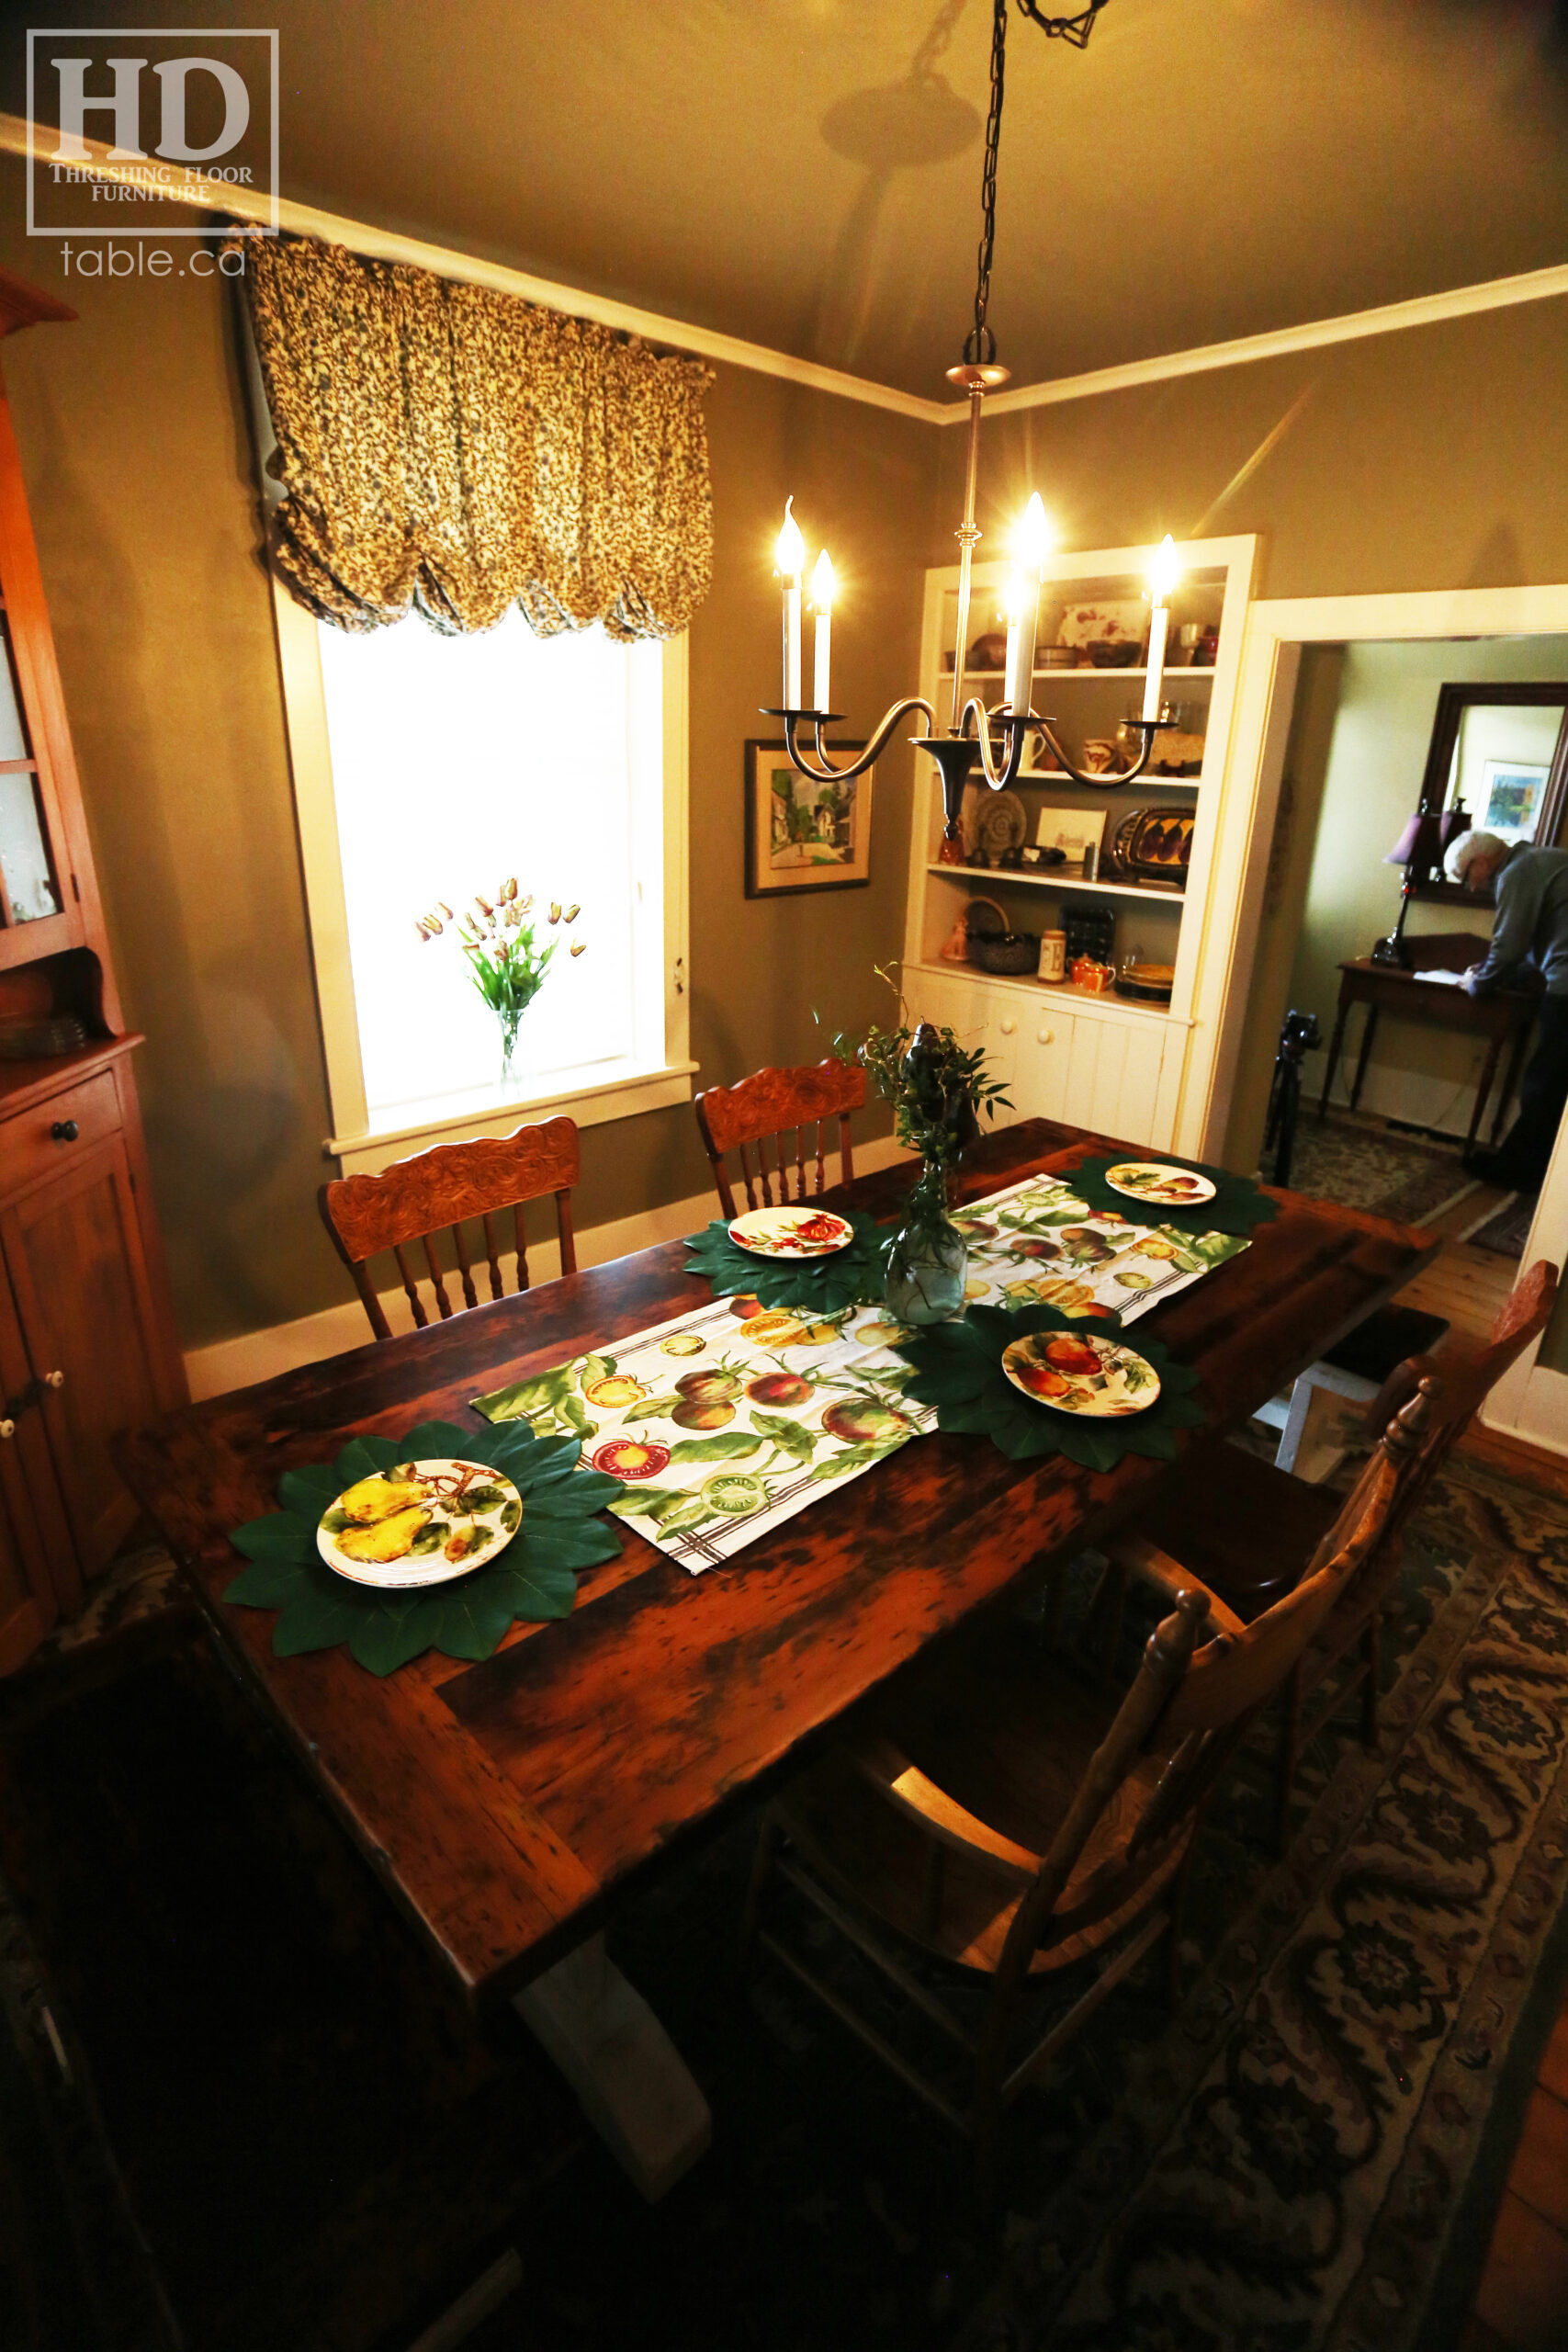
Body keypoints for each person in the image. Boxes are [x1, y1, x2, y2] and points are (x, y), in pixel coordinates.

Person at [1450, 826, 1568, 1191]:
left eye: (1466, 876)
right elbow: (1535, 947)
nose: (1471, 888)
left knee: (1544, 1083)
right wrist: (1493, 972)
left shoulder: (1518, 872)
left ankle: (1519, 1172)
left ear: (1482, 861)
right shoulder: (1540, 861)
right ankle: (1531, 1168)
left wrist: (1477, 984)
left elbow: (1509, 945)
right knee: (1553, 1083)